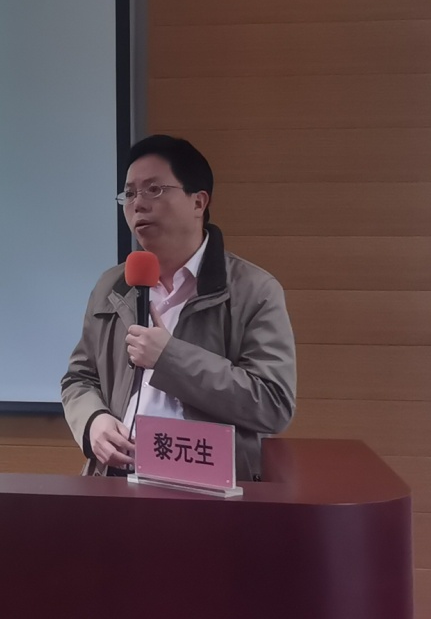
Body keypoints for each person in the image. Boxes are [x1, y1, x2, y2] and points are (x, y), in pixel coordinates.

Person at [60, 135, 296, 481]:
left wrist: (169, 358)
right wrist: (93, 421)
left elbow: (273, 403)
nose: (138, 204)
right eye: (130, 194)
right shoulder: (112, 285)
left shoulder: (254, 290)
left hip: (209, 487)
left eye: (154, 190)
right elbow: (79, 378)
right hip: (117, 480)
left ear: (198, 201)